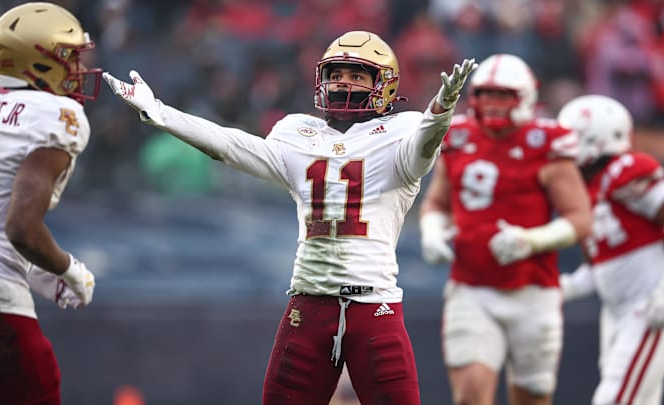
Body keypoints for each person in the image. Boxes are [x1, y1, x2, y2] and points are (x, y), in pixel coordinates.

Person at [103, 30, 477, 404]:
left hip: (373, 308)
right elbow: (231, 146)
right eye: (336, 73)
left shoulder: (403, 131)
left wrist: (439, 114)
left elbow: (421, 152)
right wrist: (161, 113)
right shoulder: (298, 133)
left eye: (357, 75)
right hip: (309, 306)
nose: (342, 83)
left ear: (385, 87)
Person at [418, 53, 593, 405]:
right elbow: (437, 203)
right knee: (470, 395)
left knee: (531, 398)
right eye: (485, 94)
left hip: (534, 290)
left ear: (525, 98)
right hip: (472, 288)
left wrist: (531, 239)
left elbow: (580, 218)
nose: (492, 104)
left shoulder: (546, 143)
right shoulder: (458, 136)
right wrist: (433, 231)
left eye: (502, 95)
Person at [0, 3, 98, 404]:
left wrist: (39, 274)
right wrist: (68, 269)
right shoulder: (57, 114)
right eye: (68, 57)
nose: (77, 68)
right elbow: (20, 228)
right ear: (39, 63)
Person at [557, 94, 664, 405]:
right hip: (615, 313)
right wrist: (557, 289)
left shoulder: (626, 172)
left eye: (571, 138)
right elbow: (599, 270)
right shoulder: (583, 192)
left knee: (613, 399)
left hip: (648, 305)